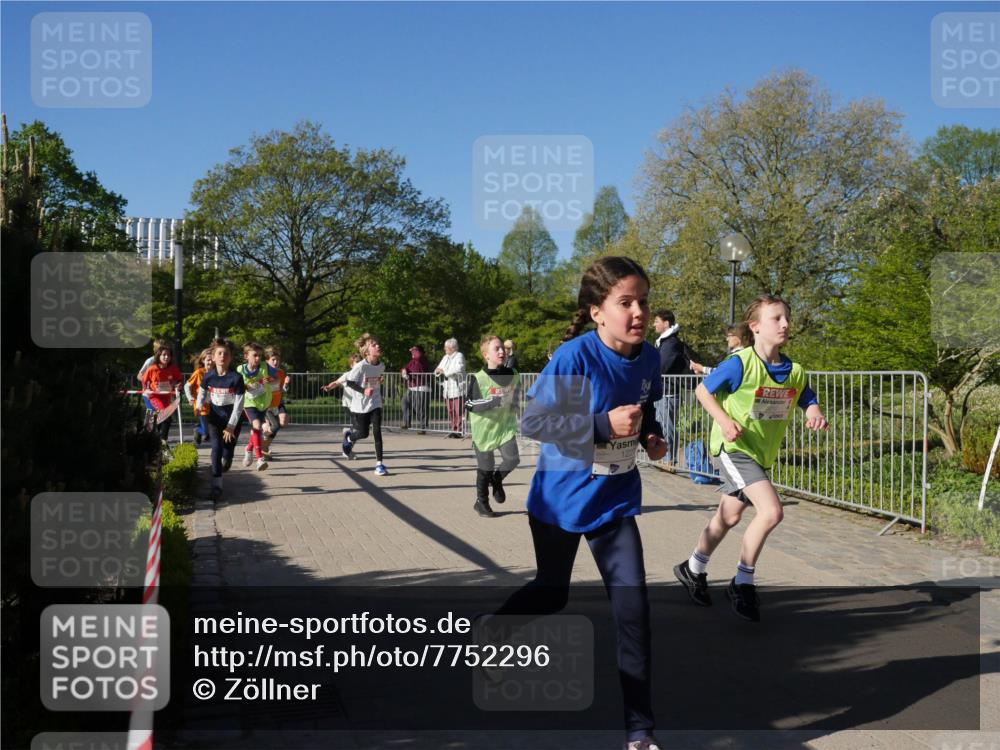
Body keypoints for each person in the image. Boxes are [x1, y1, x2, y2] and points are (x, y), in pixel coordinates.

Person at [489, 256, 667, 750]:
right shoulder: (576, 359)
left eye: (643, 302)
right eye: (625, 302)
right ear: (596, 312)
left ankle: (640, 732)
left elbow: (645, 407)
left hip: (614, 501)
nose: (637, 312)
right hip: (560, 499)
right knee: (552, 593)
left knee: (634, 613)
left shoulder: (648, 358)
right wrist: (600, 426)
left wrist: (652, 435)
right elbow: (535, 425)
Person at [673, 295, 828, 623]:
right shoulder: (740, 363)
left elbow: (806, 396)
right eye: (776, 318)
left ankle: (693, 567)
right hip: (733, 449)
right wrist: (725, 421)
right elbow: (703, 391)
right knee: (771, 512)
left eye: (787, 317)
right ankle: (742, 582)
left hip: (760, 454)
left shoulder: (795, 371)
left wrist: (813, 410)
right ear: (755, 327)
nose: (785, 324)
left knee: (728, 517)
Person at [465, 335, 520, 518]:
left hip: (505, 427)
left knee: (512, 459)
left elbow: (515, 394)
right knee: (486, 467)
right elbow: (470, 404)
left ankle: (497, 480)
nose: (501, 351)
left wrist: (516, 406)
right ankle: (481, 502)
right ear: (486, 355)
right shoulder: (478, 378)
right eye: (496, 349)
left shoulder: (513, 374)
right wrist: (492, 402)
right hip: (484, 430)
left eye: (502, 348)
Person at [322, 334, 388, 476]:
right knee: (363, 434)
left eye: (378, 344)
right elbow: (350, 383)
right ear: (366, 351)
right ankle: (349, 437)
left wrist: (378, 381)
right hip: (360, 405)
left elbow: (373, 381)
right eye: (374, 345)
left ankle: (379, 464)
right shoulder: (360, 366)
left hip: (375, 402)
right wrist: (364, 390)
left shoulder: (381, 365)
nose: (378, 346)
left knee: (377, 432)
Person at [196, 338, 246, 500]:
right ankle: (216, 486)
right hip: (215, 419)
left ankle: (228, 458)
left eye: (226, 354)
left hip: (232, 420)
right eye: (219, 353)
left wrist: (231, 426)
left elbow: (239, 405)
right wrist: (198, 405)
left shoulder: (236, 378)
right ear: (214, 356)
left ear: (230, 358)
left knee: (227, 451)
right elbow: (202, 392)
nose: (222, 356)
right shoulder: (208, 376)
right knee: (216, 448)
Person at [652, 309, 692, 468]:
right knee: (663, 425)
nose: (654, 324)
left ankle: (670, 460)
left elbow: (662, 366)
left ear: (666, 323)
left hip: (668, 392)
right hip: (663, 391)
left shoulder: (671, 343)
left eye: (657, 321)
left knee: (667, 426)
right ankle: (665, 458)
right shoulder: (664, 342)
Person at [237, 342, 276, 471]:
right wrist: (256, 383)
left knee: (256, 429)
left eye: (260, 356)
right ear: (246, 356)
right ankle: (259, 459)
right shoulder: (240, 369)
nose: (258, 358)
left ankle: (248, 449)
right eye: (255, 355)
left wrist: (270, 379)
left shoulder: (265, 366)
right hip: (249, 403)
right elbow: (240, 386)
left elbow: (275, 378)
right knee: (257, 426)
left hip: (263, 403)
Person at [140, 341, 183, 442]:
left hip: (166, 396)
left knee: (161, 419)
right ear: (159, 356)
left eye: (168, 355)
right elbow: (144, 380)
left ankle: (154, 438)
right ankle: (163, 441)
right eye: (164, 355)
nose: (166, 357)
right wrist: (146, 389)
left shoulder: (173, 368)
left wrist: (178, 384)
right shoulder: (152, 368)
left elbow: (179, 379)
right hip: (154, 396)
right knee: (166, 417)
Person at [261, 346, 290, 459]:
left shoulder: (281, 373)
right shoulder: (263, 372)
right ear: (267, 360)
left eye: (277, 360)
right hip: (267, 404)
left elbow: (282, 389)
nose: (276, 362)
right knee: (275, 426)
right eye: (273, 359)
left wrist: (286, 384)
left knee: (283, 422)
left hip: (278, 403)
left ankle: (263, 445)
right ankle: (263, 448)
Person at [435, 338, 466, 438]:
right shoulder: (445, 357)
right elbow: (438, 368)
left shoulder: (459, 355)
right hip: (447, 388)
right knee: (451, 411)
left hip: (457, 388)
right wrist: (438, 371)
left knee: (459, 411)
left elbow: (459, 368)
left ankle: (459, 430)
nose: (444, 349)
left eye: (446, 347)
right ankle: (453, 429)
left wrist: (445, 371)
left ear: (452, 348)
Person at [184, 348, 214, 445]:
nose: (210, 362)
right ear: (203, 360)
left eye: (212, 359)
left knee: (211, 428)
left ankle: (203, 431)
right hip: (201, 405)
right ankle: (198, 430)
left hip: (214, 404)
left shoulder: (217, 372)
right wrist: (190, 398)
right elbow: (187, 385)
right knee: (206, 431)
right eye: (208, 360)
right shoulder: (198, 373)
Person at [400, 345, 431, 434]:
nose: (412, 353)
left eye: (414, 351)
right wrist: (404, 371)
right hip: (412, 387)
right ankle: (407, 422)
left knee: (420, 408)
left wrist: (414, 349)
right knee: (404, 402)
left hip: (421, 387)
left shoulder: (422, 360)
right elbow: (406, 368)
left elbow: (419, 356)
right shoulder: (412, 361)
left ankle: (423, 428)